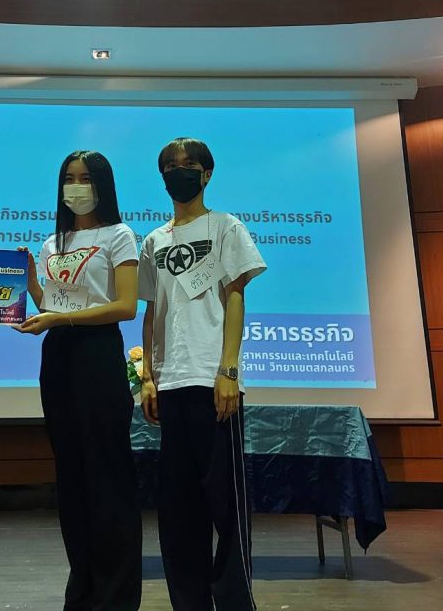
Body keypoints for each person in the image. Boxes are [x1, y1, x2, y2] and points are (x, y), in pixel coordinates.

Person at [138, 137, 266, 611]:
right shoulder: (153, 240)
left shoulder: (226, 226)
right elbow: (151, 312)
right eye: (171, 166)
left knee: (227, 508)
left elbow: (236, 296)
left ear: (207, 173)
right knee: (177, 511)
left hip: (214, 384)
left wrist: (228, 369)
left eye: (189, 165)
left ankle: (234, 603)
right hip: (170, 385)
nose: (180, 172)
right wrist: (147, 377)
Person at [15, 150, 143, 611]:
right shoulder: (53, 242)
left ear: (103, 184)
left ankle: (116, 594)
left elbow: (125, 306)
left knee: (108, 476)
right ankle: (83, 590)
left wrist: (60, 320)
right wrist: (31, 283)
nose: (76, 186)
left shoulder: (120, 235)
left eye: (86, 178)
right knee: (71, 478)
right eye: (69, 178)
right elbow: (53, 305)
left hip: (97, 354)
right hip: (58, 357)